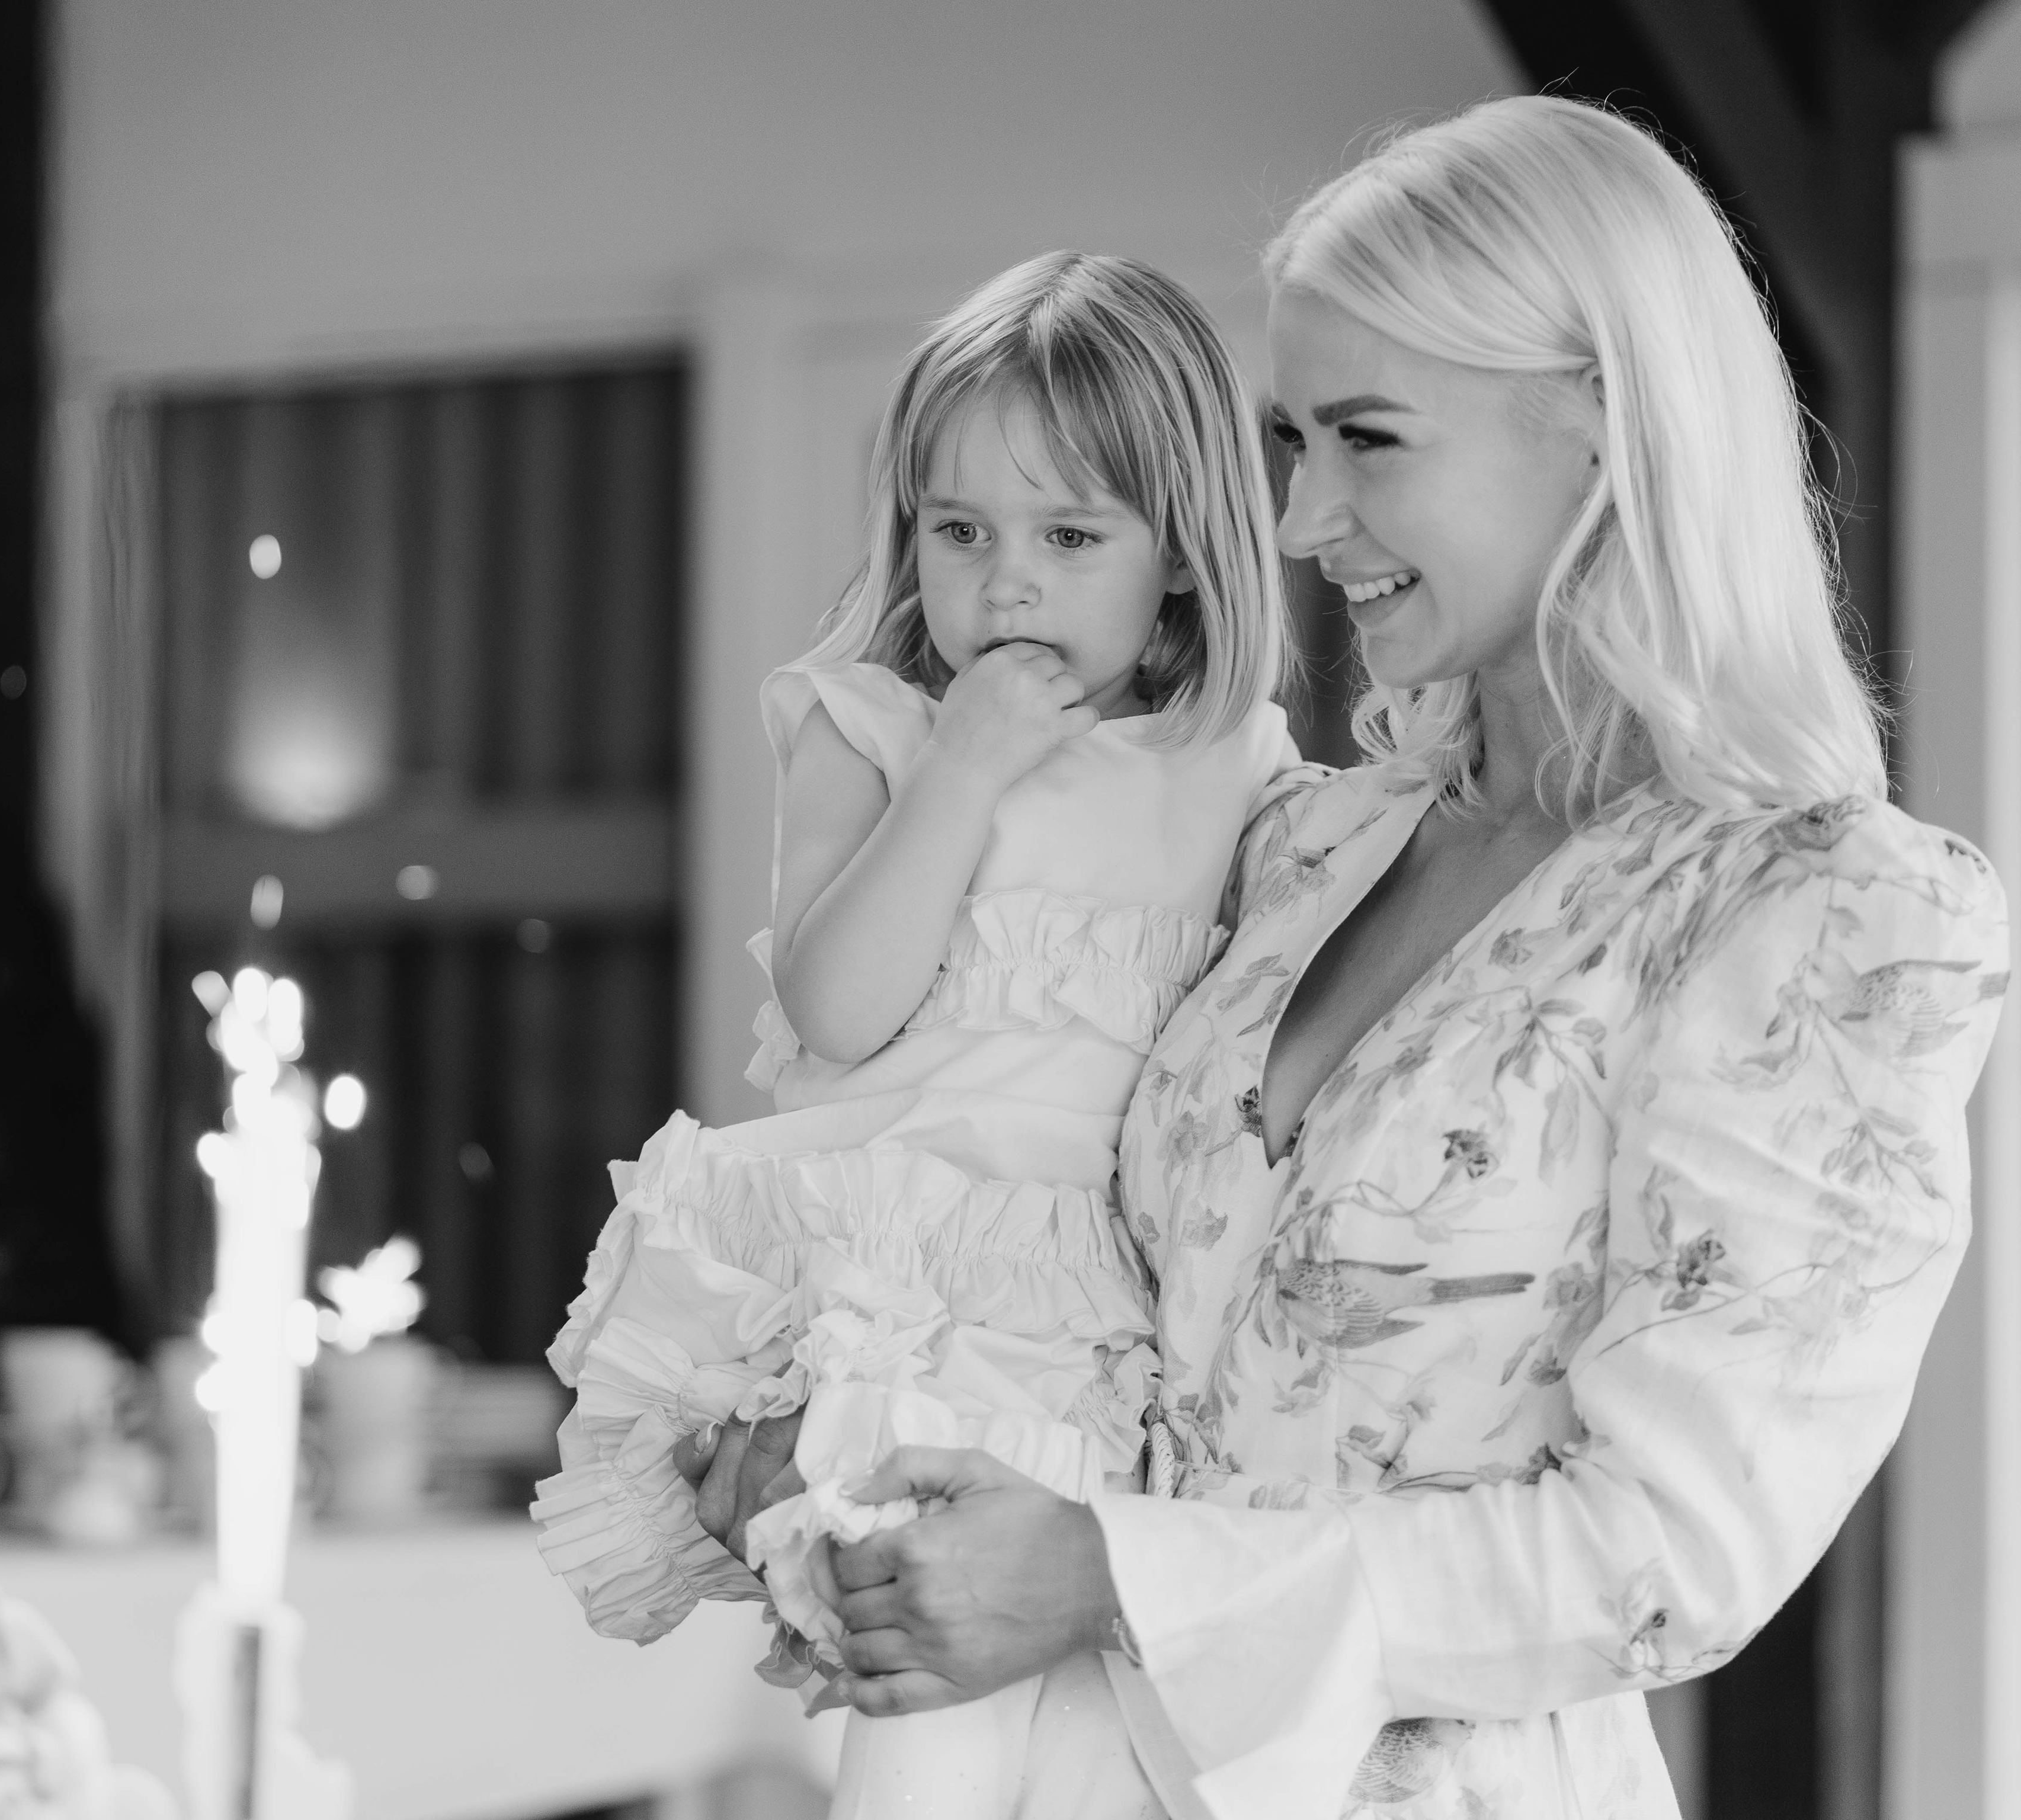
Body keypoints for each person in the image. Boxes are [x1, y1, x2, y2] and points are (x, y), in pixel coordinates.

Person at [681, 96, 2010, 1819]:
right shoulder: (1304, 848)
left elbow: (1675, 1554)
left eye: (1369, 440)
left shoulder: (1826, 914)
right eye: (1293, 441)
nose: (1303, 519)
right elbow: (1051, 1225)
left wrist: (1111, 1578)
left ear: (1606, 428)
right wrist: (835, 1433)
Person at [534, 251, 1295, 1818]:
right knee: (922, 1727)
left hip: (1106, 1332)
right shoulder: (869, 730)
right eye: (960, 532)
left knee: (1100, 1755)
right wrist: (962, 771)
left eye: (1069, 536)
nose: (1005, 585)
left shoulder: (1236, 766)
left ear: (1181, 553)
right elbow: (839, 1007)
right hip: (910, 1314)